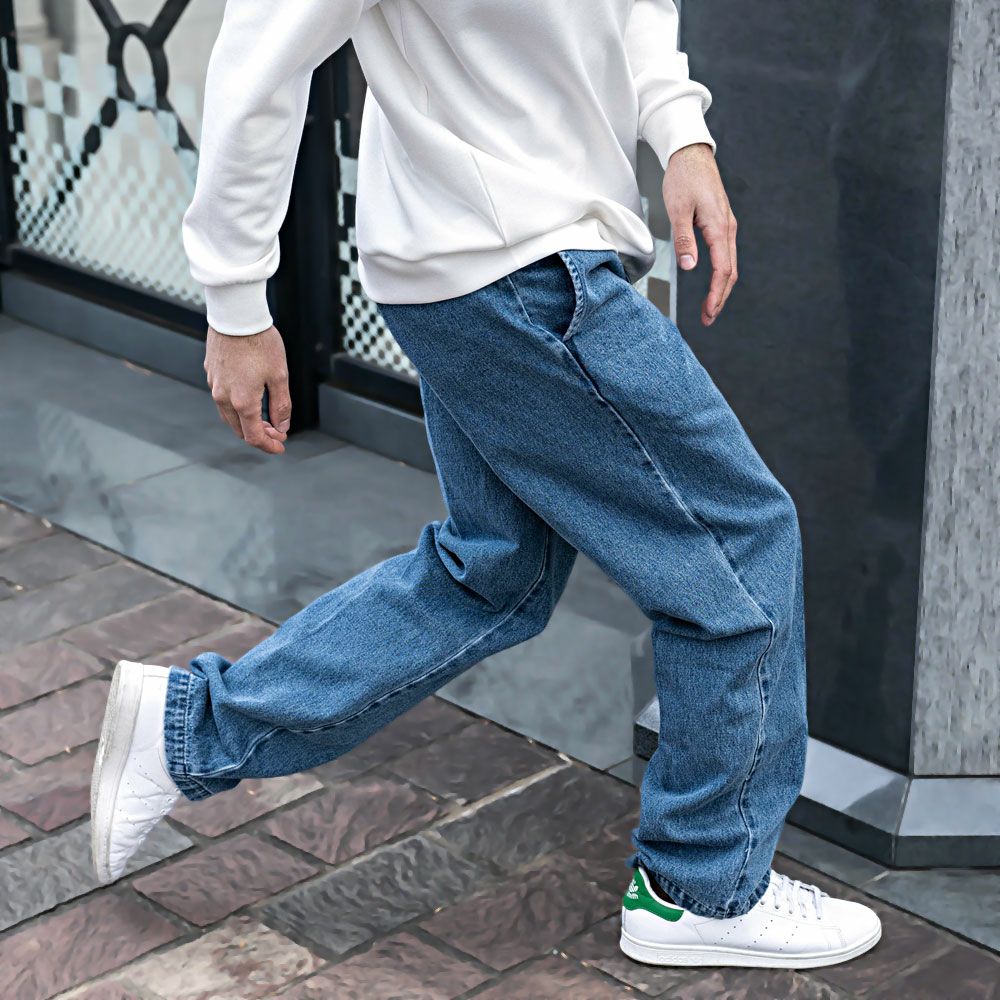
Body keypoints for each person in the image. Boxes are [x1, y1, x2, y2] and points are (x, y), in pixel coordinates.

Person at [91, 0, 882, 968]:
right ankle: (703, 885)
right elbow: (262, 51)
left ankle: (191, 731)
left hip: (502, 251)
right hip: (516, 266)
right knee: (737, 547)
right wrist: (236, 301)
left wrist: (679, 130)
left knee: (494, 570)